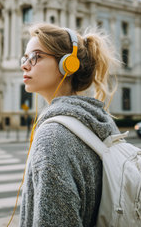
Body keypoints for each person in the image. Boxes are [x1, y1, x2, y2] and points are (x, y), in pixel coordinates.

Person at [18, 23, 121, 226]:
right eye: (25, 57)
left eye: (35, 56)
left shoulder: (52, 137)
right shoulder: (96, 120)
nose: (25, 65)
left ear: (68, 64)